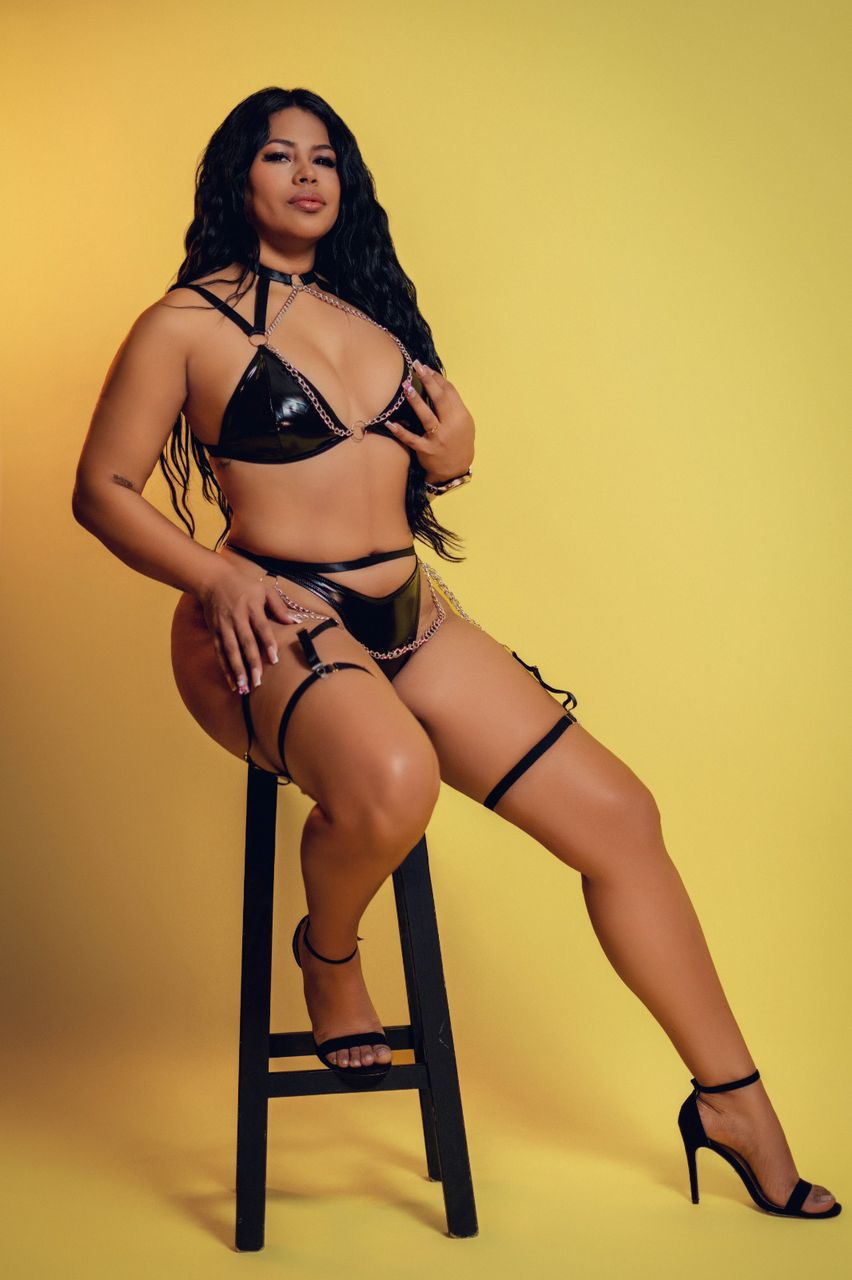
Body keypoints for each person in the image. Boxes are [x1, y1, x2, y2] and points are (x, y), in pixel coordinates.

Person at [71, 86, 839, 1220]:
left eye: (325, 157)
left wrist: (456, 454)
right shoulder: (181, 324)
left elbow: (399, 471)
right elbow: (101, 489)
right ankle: (330, 954)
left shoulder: (374, 312)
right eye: (278, 155)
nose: (306, 174)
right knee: (397, 777)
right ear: (237, 177)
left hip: (407, 614)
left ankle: (733, 1102)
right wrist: (218, 575)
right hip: (266, 616)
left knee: (621, 817)